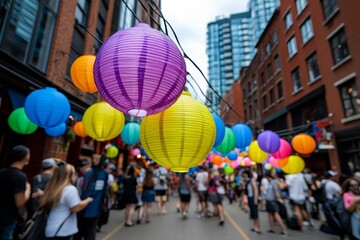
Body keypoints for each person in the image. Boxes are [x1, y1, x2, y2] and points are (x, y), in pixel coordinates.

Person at [39, 163, 93, 239]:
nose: (76, 176)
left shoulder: (53, 187)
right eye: (74, 173)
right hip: (62, 231)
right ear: (68, 176)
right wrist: (87, 201)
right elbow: (75, 208)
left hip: (51, 228)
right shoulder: (70, 189)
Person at [0, 145, 31, 240]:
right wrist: (28, 190)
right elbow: (20, 202)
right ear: (26, 157)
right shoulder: (20, 176)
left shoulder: (2, 171)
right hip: (8, 218)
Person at [75, 154, 108, 240]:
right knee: (89, 234)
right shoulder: (103, 174)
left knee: (78, 233)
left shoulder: (87, 174)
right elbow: (103, 193)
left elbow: (80, 190)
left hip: (82, 207)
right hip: (93, 209)